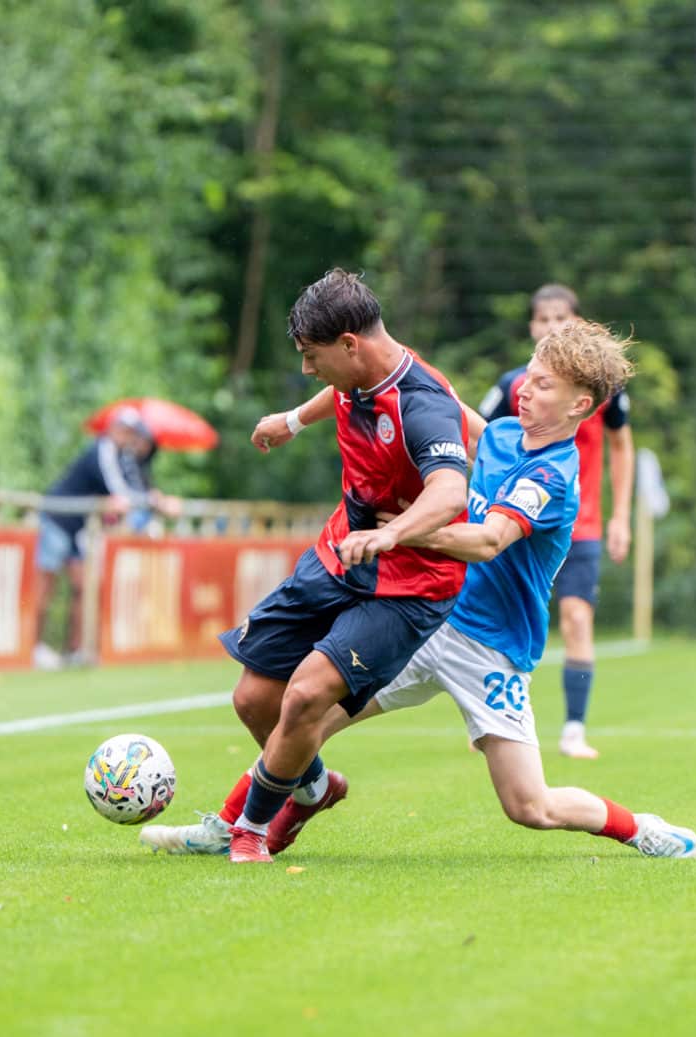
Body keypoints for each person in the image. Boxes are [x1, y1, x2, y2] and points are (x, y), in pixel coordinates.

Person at [143, 319, 696, 861]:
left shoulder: (552, 477)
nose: (523, 390)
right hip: (427, 620)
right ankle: (237, 825)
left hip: (492, 649)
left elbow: (487, 541)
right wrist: (296, 418)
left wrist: (402, 531)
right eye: (527, 377)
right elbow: (412, 388)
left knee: (531, 806)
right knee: (303, 714)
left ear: (580, 405)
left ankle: (640, 829)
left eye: (542, 385)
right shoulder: (504, 433)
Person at [141, 267, 470, 862]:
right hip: (339, 554)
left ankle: (250, 830)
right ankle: (314, 788)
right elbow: (338, 391)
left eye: (311, 356)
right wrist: (292, 420)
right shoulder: (356, 373)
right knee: (253, 701)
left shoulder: (424, 405)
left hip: (408, 585)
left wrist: (392, 534)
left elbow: (450, 494)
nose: (305, 368)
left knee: (303, 697)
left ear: (351, 344)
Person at [479, 284, 634, 759]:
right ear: (531, 327)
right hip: (519, 518)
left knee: (575, 617)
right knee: (498, 613)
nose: (550, 327)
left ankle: (573, 728)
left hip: (580, 522)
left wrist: (620, 516)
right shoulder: (514, 385)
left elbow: (622, 446)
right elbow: (480, 437)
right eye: (542, 320)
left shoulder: (602, 391)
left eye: (560, 318)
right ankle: (488, 715)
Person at [33, 406, 159, 670]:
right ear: (113, 429)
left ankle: (76, 649)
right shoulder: (102, 450)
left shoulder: (124, 455)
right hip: (59, 520)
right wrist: (151, 501)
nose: (127, 436)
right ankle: (33, 647)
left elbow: (130, 491)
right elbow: (119, 492)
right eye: (124, 430)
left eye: (131, 432)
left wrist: (150, 499)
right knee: (45, 585)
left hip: (80, 528)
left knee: (82, 586)